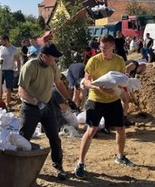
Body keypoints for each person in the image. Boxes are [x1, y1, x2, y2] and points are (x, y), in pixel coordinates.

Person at [74, 34, 134, 179]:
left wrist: (124, 89)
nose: (103, 51)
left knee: (120, 128)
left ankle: (120, 156)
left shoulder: (119, 60)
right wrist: (97, 87)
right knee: (91, 129)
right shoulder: (93, 61)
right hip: (96, 99)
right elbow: (86, 82)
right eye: (101, 48)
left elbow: (122, 79)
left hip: (113, 99)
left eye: (106, 48)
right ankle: (80, 162)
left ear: (113, 46)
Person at [18, 43, 73, 181]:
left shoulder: (52, 66)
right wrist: (36, 102)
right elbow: (21, 90)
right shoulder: (30, 66)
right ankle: (19, 167)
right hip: (30, 108)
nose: (55, 60)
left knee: (54, 137)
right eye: (53, 57)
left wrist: (68, 99)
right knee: (24, 139)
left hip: (47, 107)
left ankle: (58, 165)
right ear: (43, 56)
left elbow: (59, 83)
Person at [0, 35, 21, 109]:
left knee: (9, 88)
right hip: (0, 70)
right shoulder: (0, 48)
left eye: (1, 41)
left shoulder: (13, 49)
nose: (0, 42)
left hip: (9, 70)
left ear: (6, 40)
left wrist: (17, 71)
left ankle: (7, 104)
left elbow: (18, 61)